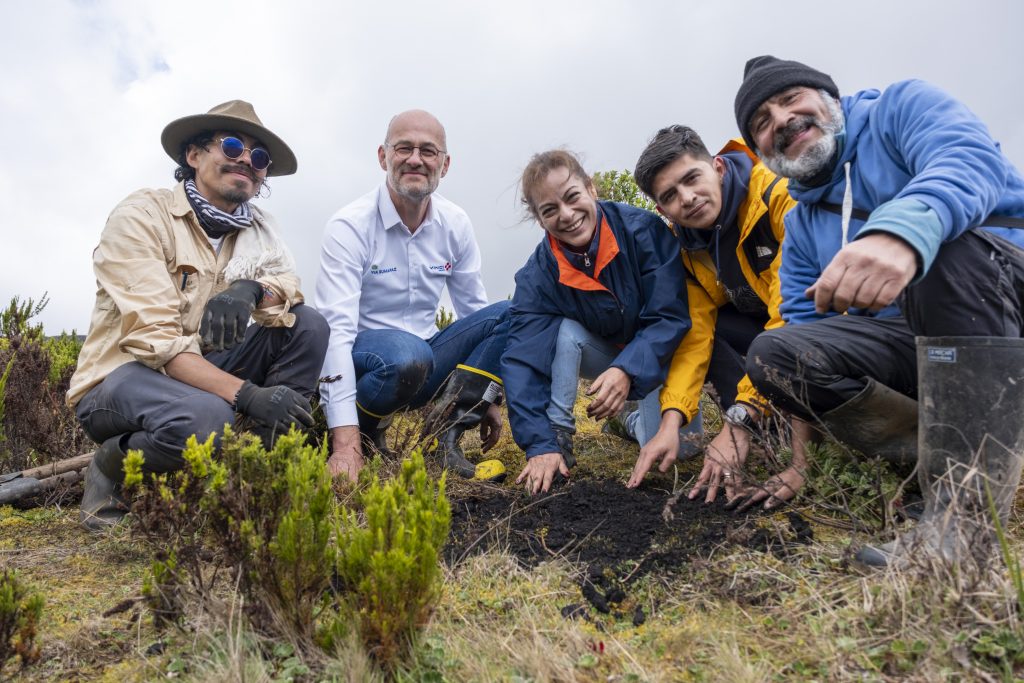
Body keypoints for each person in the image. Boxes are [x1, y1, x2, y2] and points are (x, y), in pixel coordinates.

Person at [733, 56, 1024, 566]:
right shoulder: (802, 225)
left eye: (791, 99)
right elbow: (804, 326)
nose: (781, 120)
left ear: (829, 99)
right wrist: (801, 462)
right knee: (775, 354)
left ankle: (967, 517)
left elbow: (969, 158)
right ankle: (951, 452)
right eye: (761, 121)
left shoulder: (900, 107)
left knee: (943, 250)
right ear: (760, 151)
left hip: (1001, 296)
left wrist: (903, 233)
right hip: (921, 346)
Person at [68, 100, 329, 531]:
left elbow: (289, 286)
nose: (246, 160)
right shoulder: (142, 216)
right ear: (193, 155)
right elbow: (158, 342)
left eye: (258, 156)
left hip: (197, 374)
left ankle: (253, 484)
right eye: (232, 146)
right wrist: (249, 396)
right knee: (207, 418)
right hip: (119, 382)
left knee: (307, 325)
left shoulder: (259, 234)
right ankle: (110, 463)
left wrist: (252, 289)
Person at [316, 110, 509, 483]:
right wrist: (344, 445)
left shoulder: (455, 223)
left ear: (445, 164)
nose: (415, 159)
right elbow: (335, 332)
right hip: (368, 364)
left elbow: (475, 312)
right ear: (383, 156)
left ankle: (445, 440)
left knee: (509, 313)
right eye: (404, 148)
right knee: (408, 355)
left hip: (427, 360)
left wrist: (488, 397)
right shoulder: (349, 226)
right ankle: (364, 435)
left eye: (428, 151)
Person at [625, 126, 798, 510]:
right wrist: (671, 421)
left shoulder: (777, 195)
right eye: (670, 196)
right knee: (702, 327)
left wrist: (738, 422)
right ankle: (771, 432)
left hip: (821, 327)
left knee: (776, 337)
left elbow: (795, 313)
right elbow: (694, 337)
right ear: (661, 210)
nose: (687, 198)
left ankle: (762, 424)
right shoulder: (686, 248)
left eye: (692, 178)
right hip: (766, 334)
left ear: (717, 167)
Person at [502, 150, 692, 494]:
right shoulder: (537, 276)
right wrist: (539, 444)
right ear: (540, 220)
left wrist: (627, 370)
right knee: (564, 331)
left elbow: (669, 317)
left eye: (572, 196)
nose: (567, 215)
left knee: (678, 453)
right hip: (603, 353)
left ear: (591, 188)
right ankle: (559, 435)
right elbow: (523, 360)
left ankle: (628, 422)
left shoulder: (643, 231)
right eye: (550, 210)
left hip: (661, 355)